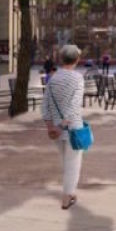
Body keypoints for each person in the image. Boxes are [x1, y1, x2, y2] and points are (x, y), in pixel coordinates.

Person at [42, 44, 86, 210]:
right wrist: (62, 125)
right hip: (72, 127)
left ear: (61, 59)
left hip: (55, 129)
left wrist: (50, 127)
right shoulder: (77, 78)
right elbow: (75, 105)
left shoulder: (53, 78)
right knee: (73, 163)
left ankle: (71, 192)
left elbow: (44, 105)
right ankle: (67, 197)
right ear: (76, 59)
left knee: (65, 163)